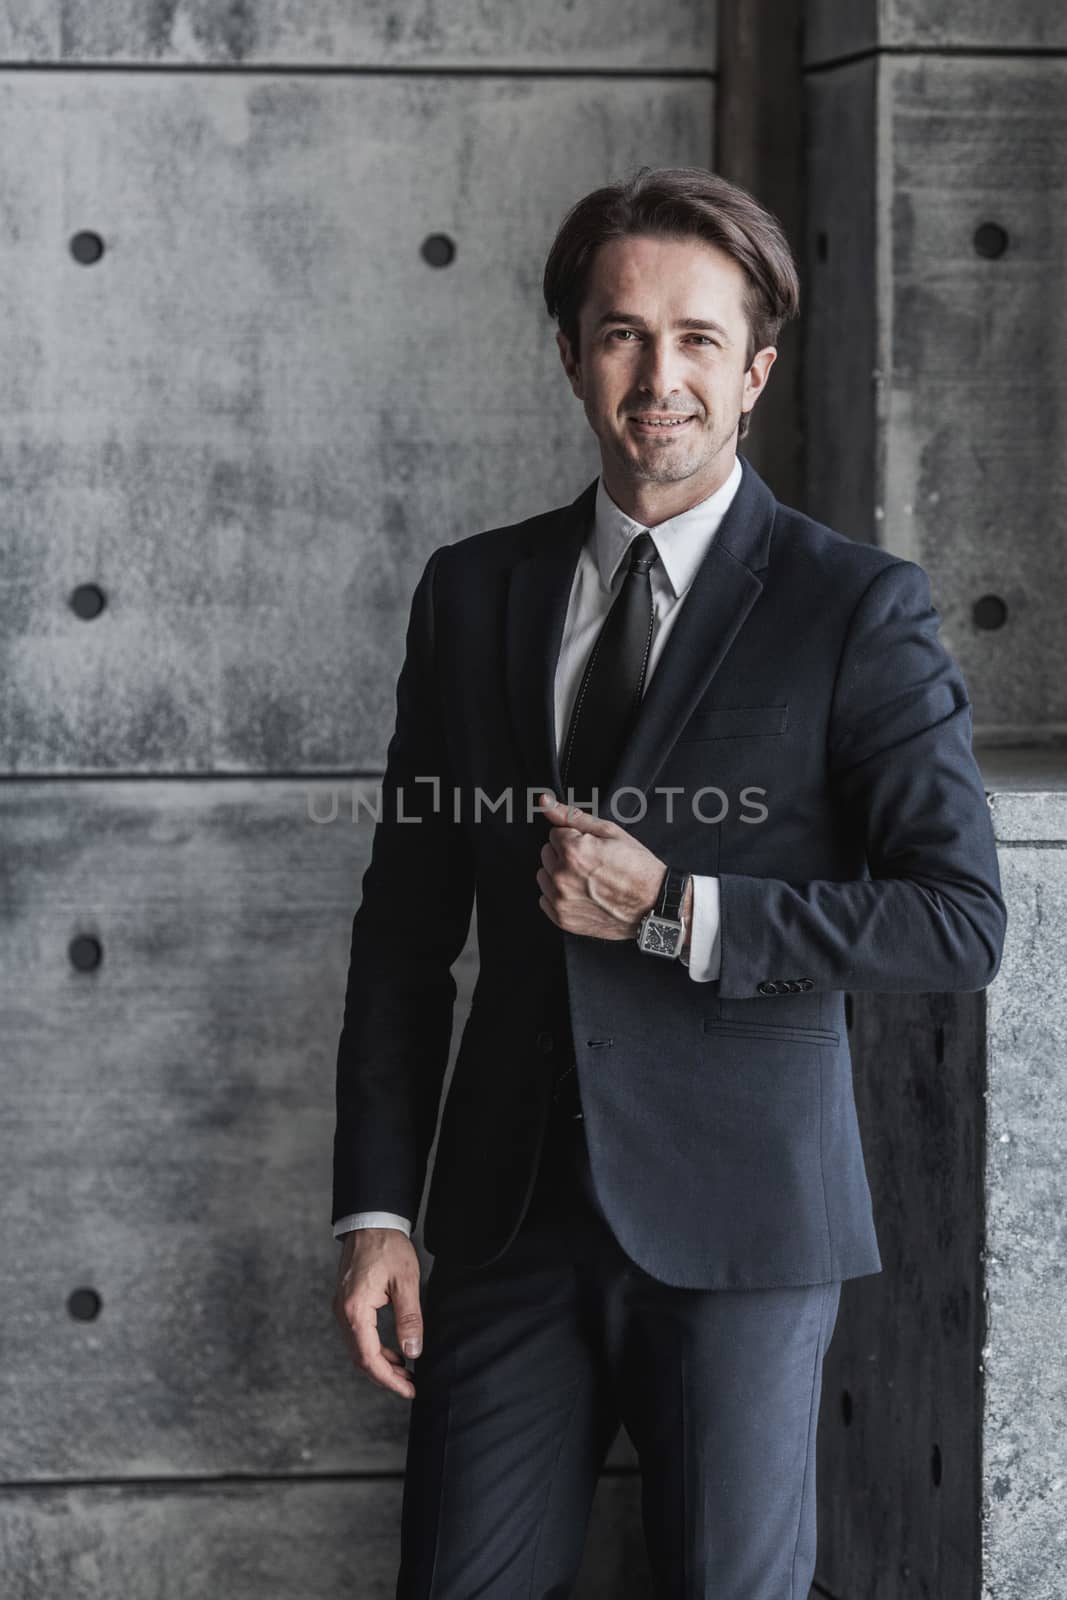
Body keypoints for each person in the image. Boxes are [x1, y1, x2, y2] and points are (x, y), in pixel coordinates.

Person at [330, 165, 1006, 1598]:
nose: (660, 375)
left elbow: (958, 920)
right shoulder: (471, 593)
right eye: (623, 332)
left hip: (746, 1227)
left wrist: (679, 909)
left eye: (699, 338)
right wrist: (377, 1208)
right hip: (507, 1219)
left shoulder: (855, 607)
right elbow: (402, 934)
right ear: (573, 353)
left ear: (754, 372)